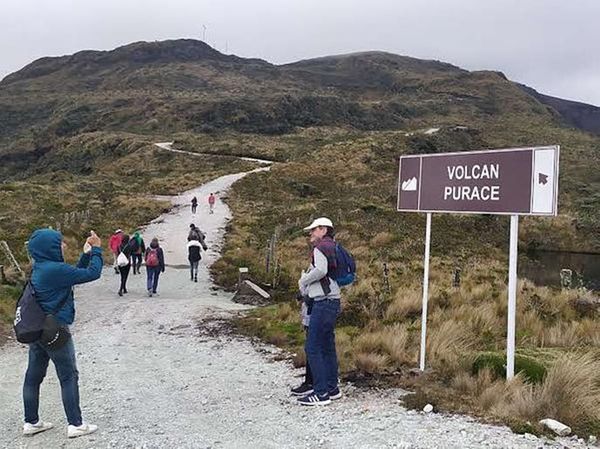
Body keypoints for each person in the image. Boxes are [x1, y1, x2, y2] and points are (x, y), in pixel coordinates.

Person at [23, 228, 102, 438]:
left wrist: (85, 254)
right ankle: (75, 424)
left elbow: (72, 277)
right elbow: (92, 274)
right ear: (49, 247)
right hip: (56, 330)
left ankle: (31, 422)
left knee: (33, 376)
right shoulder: (54, 269)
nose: (64, 245)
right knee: (68, 375)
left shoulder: (42, 267)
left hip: (39, 329)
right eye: (59, 243)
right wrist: (96, 250)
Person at [297, 217, 342, 406]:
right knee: (327, 346)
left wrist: (304, 280)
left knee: (313, 346)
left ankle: (321, 392)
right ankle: (332, 388)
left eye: (314, 230)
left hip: (323, 301)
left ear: (323, 229)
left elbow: (321, 271)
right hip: (333, 299)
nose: (311, 233)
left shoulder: (320, 248)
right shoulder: (333, 246)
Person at [290, 295, 314, 397]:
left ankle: (311, 383)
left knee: (312, 348)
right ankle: (312, 382)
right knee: (312, 347)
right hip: (311, 309)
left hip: (315, 310)